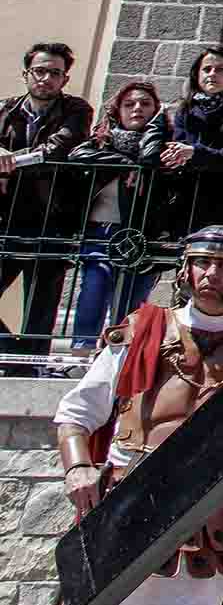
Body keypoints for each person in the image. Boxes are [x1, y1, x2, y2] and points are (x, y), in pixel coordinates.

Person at [52, 225, 223, 605]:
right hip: (127, 498)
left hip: (211, 514)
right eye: (201, 262)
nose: (211, 273)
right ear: (185, 270)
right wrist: (79, 467)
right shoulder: (141, 332)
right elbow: (75, 413)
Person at [0, 42, 94, 365]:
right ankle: (11, 353)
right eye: (39, 71)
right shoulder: (4, 110)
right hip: (6, 219)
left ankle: (30, 366)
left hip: (54, 219)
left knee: (41, 308)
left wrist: (10, 160)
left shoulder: (77, 110)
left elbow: (57, 149)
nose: (46, 78)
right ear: (26, 74)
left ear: (64, 80)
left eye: (55, 73)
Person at [65, 79, 165, 364]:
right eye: (129, 104)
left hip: (142, 233)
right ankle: (81, 356)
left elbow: (154, 163)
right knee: (93, 289)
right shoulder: (100, 141)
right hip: (101, 229)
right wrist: (124, 163)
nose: (137, 109)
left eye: (145, 104)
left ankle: (119, 360)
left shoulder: (159, 145)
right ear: (117, 109)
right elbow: (78, 155)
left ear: (155, 111)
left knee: (132, 301)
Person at [140, 44, 223, 238]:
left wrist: (194, 153)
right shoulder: (185, 110)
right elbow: (178, 146)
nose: (212, 74)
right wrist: (174, 157)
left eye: (220, 69)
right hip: (187, 201)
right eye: (206, 69)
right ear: (197, 74)